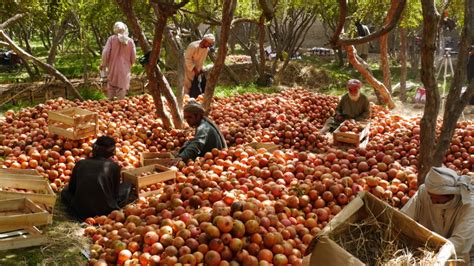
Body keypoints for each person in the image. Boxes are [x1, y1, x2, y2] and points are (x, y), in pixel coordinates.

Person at [401, 167, 474, 265]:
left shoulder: (469, 204)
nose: (431, 200)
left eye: (436, 198)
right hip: (423, 250)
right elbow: (404, 218)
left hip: (452, 257)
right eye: (430, 195)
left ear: (450, 194)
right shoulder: (424, 192)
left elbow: (459, 242)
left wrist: (437, 259)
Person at [61, 136, 133, 220]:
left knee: (65, 191)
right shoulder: (114, 167)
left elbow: (71, 189)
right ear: (112, 153)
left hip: (80, 210)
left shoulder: (80, 163)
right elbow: (115, 194)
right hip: (106, 210)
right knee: (127, 185)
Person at [100, 22, 136, 100]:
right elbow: (133, 57)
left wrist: (104, 63)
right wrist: (131, 63)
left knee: (112, 85)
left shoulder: (111, 39)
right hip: (125, 69)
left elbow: (105, 53)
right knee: (122, 87)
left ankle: (111, 103)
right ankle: (120, 104)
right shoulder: (130, 41)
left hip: (113, 67)